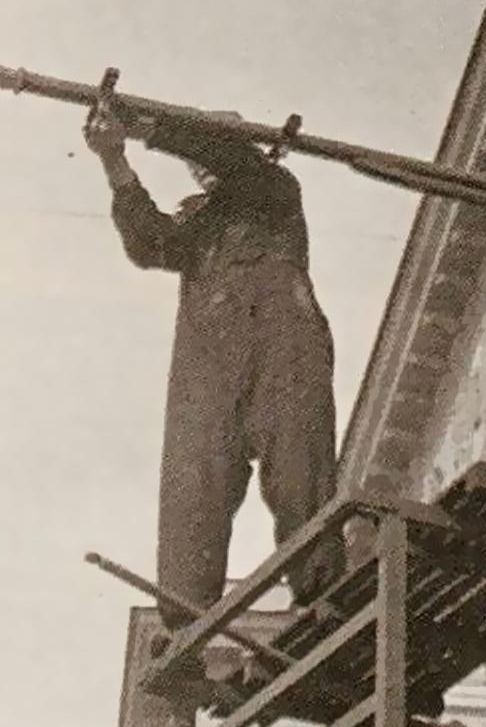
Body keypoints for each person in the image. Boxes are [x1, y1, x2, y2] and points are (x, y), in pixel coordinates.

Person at [83, 105, 344, 644]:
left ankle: (322, 598)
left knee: (298, 464)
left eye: (203, 149)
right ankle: (185, 626)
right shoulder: (199, 222)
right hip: (210, 354)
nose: (196, 165)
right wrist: (115, 161)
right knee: (193, 479)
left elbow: (227, 156)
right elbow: (149, 243)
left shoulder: (272, 187)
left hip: (281, 341)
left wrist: (152, 128)